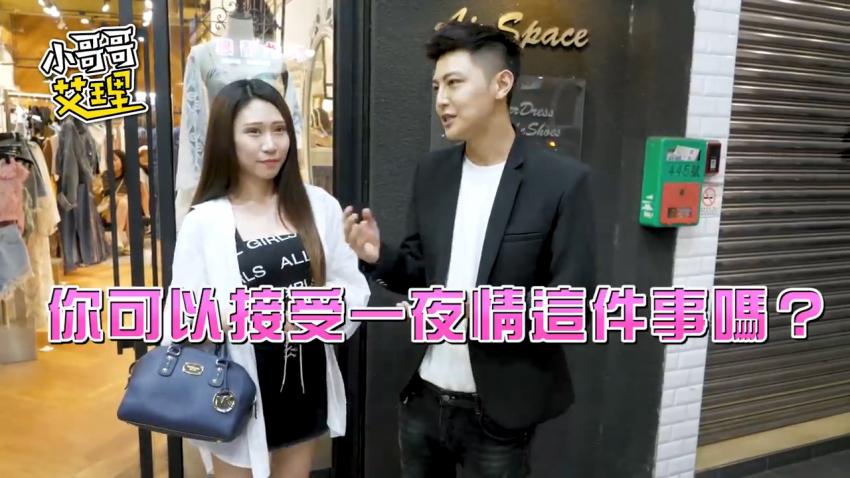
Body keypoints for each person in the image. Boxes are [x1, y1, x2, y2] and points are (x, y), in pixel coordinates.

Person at [343, 21, 597, 477]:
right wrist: (379, 257)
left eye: (455, 83)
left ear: (502, 84)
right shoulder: (433, 173)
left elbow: (572, 308)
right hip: (423, 396)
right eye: (436, 86)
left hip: (498, 411)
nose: (441, 99)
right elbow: (421, 274)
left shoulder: (560, 182)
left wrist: (481, 316)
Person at [163, 78, 370, 478]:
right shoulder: (205, 221)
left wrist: (312, 312)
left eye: (279, 130)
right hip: (233, 390)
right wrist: (242, 316)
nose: (271, 145)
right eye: (254, 132)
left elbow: (351, 288)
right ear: (227, 140)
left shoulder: (318, 206)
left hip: (304, 388)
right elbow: (182, 315)